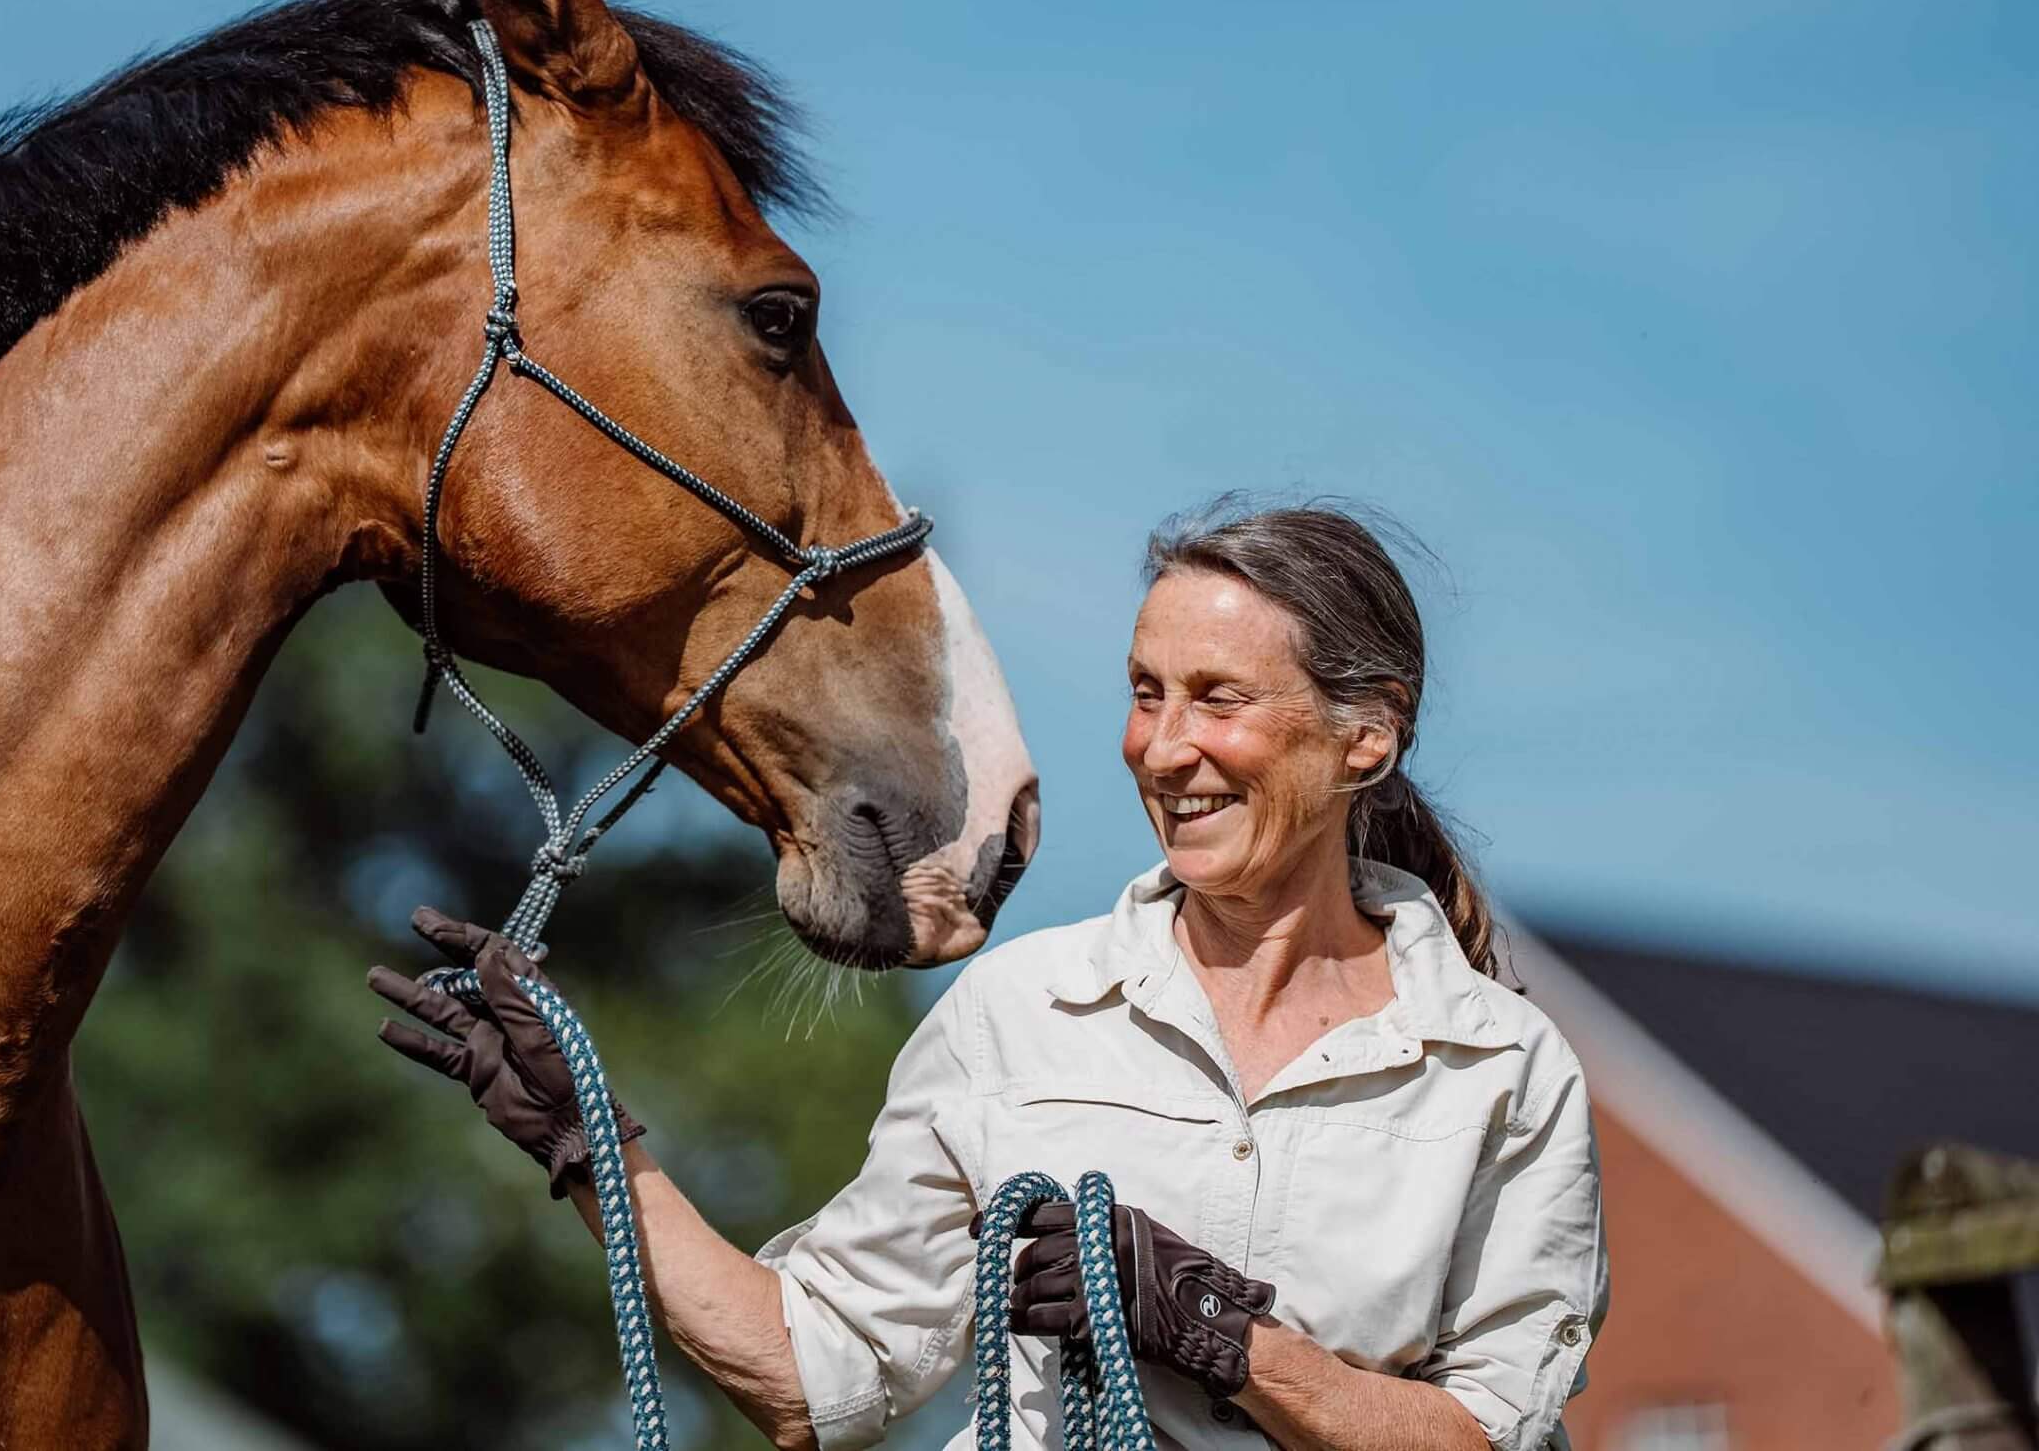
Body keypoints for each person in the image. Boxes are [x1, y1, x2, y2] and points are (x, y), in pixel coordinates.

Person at [370, 502, 1608, 1450]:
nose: (1165, 748)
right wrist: (593, 1148)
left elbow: (1487, 1432)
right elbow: (818, 1374)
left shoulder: (1500, 1067)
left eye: (1217, 697)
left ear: (1367, 731)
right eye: (1144, 693)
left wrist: (1228, 1339)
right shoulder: (1017, 1014)